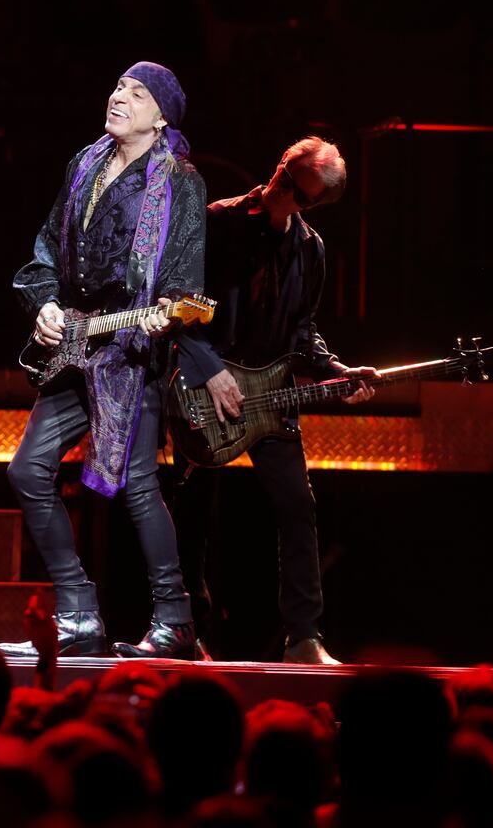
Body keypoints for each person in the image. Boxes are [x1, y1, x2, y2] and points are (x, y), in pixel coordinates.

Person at [1, 62, 206, 660]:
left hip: (128, 355)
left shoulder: (179, 182)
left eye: (137, 94)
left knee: (138, 485)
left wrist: (166, 312)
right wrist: (45, 304)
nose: (119, 98)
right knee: (27, 471)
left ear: (160, 117)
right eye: (118, 87)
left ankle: (175, 621)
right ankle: (77, 612)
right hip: (74, 344)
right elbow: (46, 247)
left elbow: (184, 278)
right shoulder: (84, 163)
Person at [174, 136, 376, 665]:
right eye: (285, 176)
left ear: (314, 205)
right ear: (281, 163)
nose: (281, 192)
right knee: (195, 511)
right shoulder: (219, 221)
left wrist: (336, 370)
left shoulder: (310, 250)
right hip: (208, 387)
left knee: (298, 507)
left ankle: (303, 638)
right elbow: (180, 309)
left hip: (272, 394)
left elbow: (304, 331)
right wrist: (210, 371)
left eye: (298, 193)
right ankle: (188, 632)